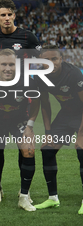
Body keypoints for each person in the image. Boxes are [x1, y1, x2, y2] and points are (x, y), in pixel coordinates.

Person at [0, 0, 41, 203]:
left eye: (10, 14)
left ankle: (23, 191)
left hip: (21, 97)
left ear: (14, 15)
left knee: (24, 147)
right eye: (3, 15)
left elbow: (41, 60)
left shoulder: (28, 36)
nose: (7, 18)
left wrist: (30, 79)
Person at [0, 49, 40, 212]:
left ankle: (24, 197)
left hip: (18, 120)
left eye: (11, 64)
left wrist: (30, 126)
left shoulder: (27, 82)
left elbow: (36, 103)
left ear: (17, 65)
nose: (7, 68)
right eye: (4, 64)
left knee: (29, 151)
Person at [33, 45, 83, 214]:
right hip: (66, 115)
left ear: (61, 59)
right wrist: (48, 133)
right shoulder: (40, 77)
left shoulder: (74, 73)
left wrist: (81, 134)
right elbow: (45, 105)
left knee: (82, 150)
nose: (51, 63)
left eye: (54, 59)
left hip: (81, 114)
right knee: (47, 149)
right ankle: (52, 198)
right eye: (46, 60)